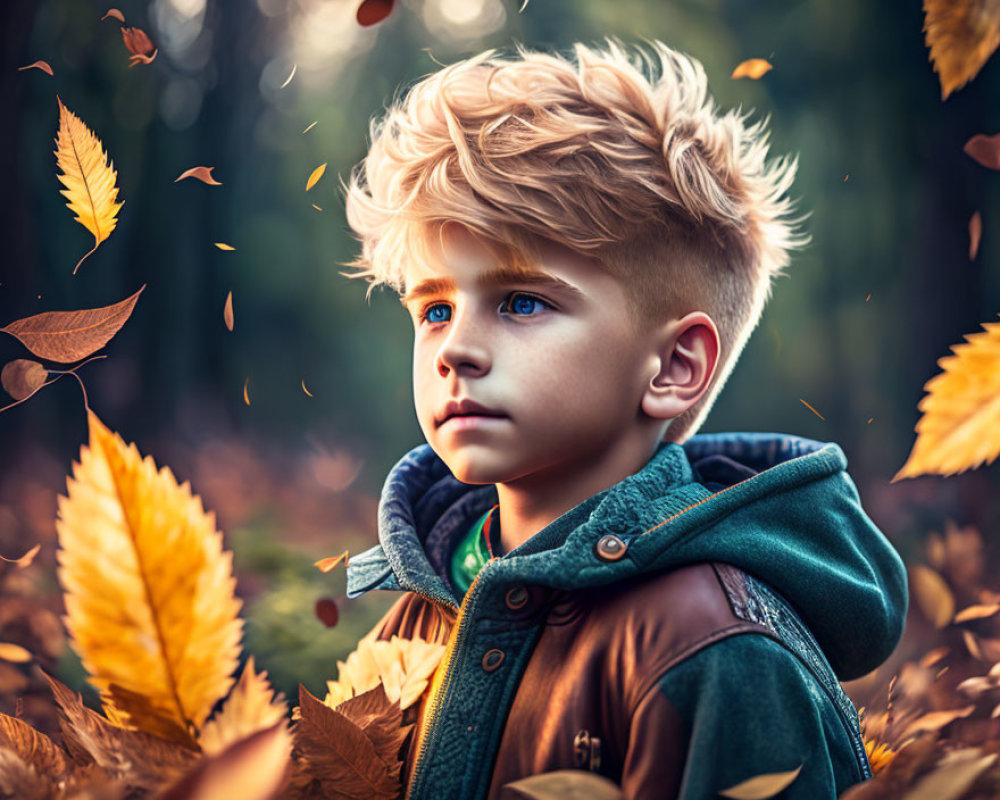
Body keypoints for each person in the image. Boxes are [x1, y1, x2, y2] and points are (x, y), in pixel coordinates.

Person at [337, 37, 908, 800]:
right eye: (435, 309)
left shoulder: (712, 653)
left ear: (673, 368)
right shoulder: (408, 623)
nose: (457, 350)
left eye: (521, 302)